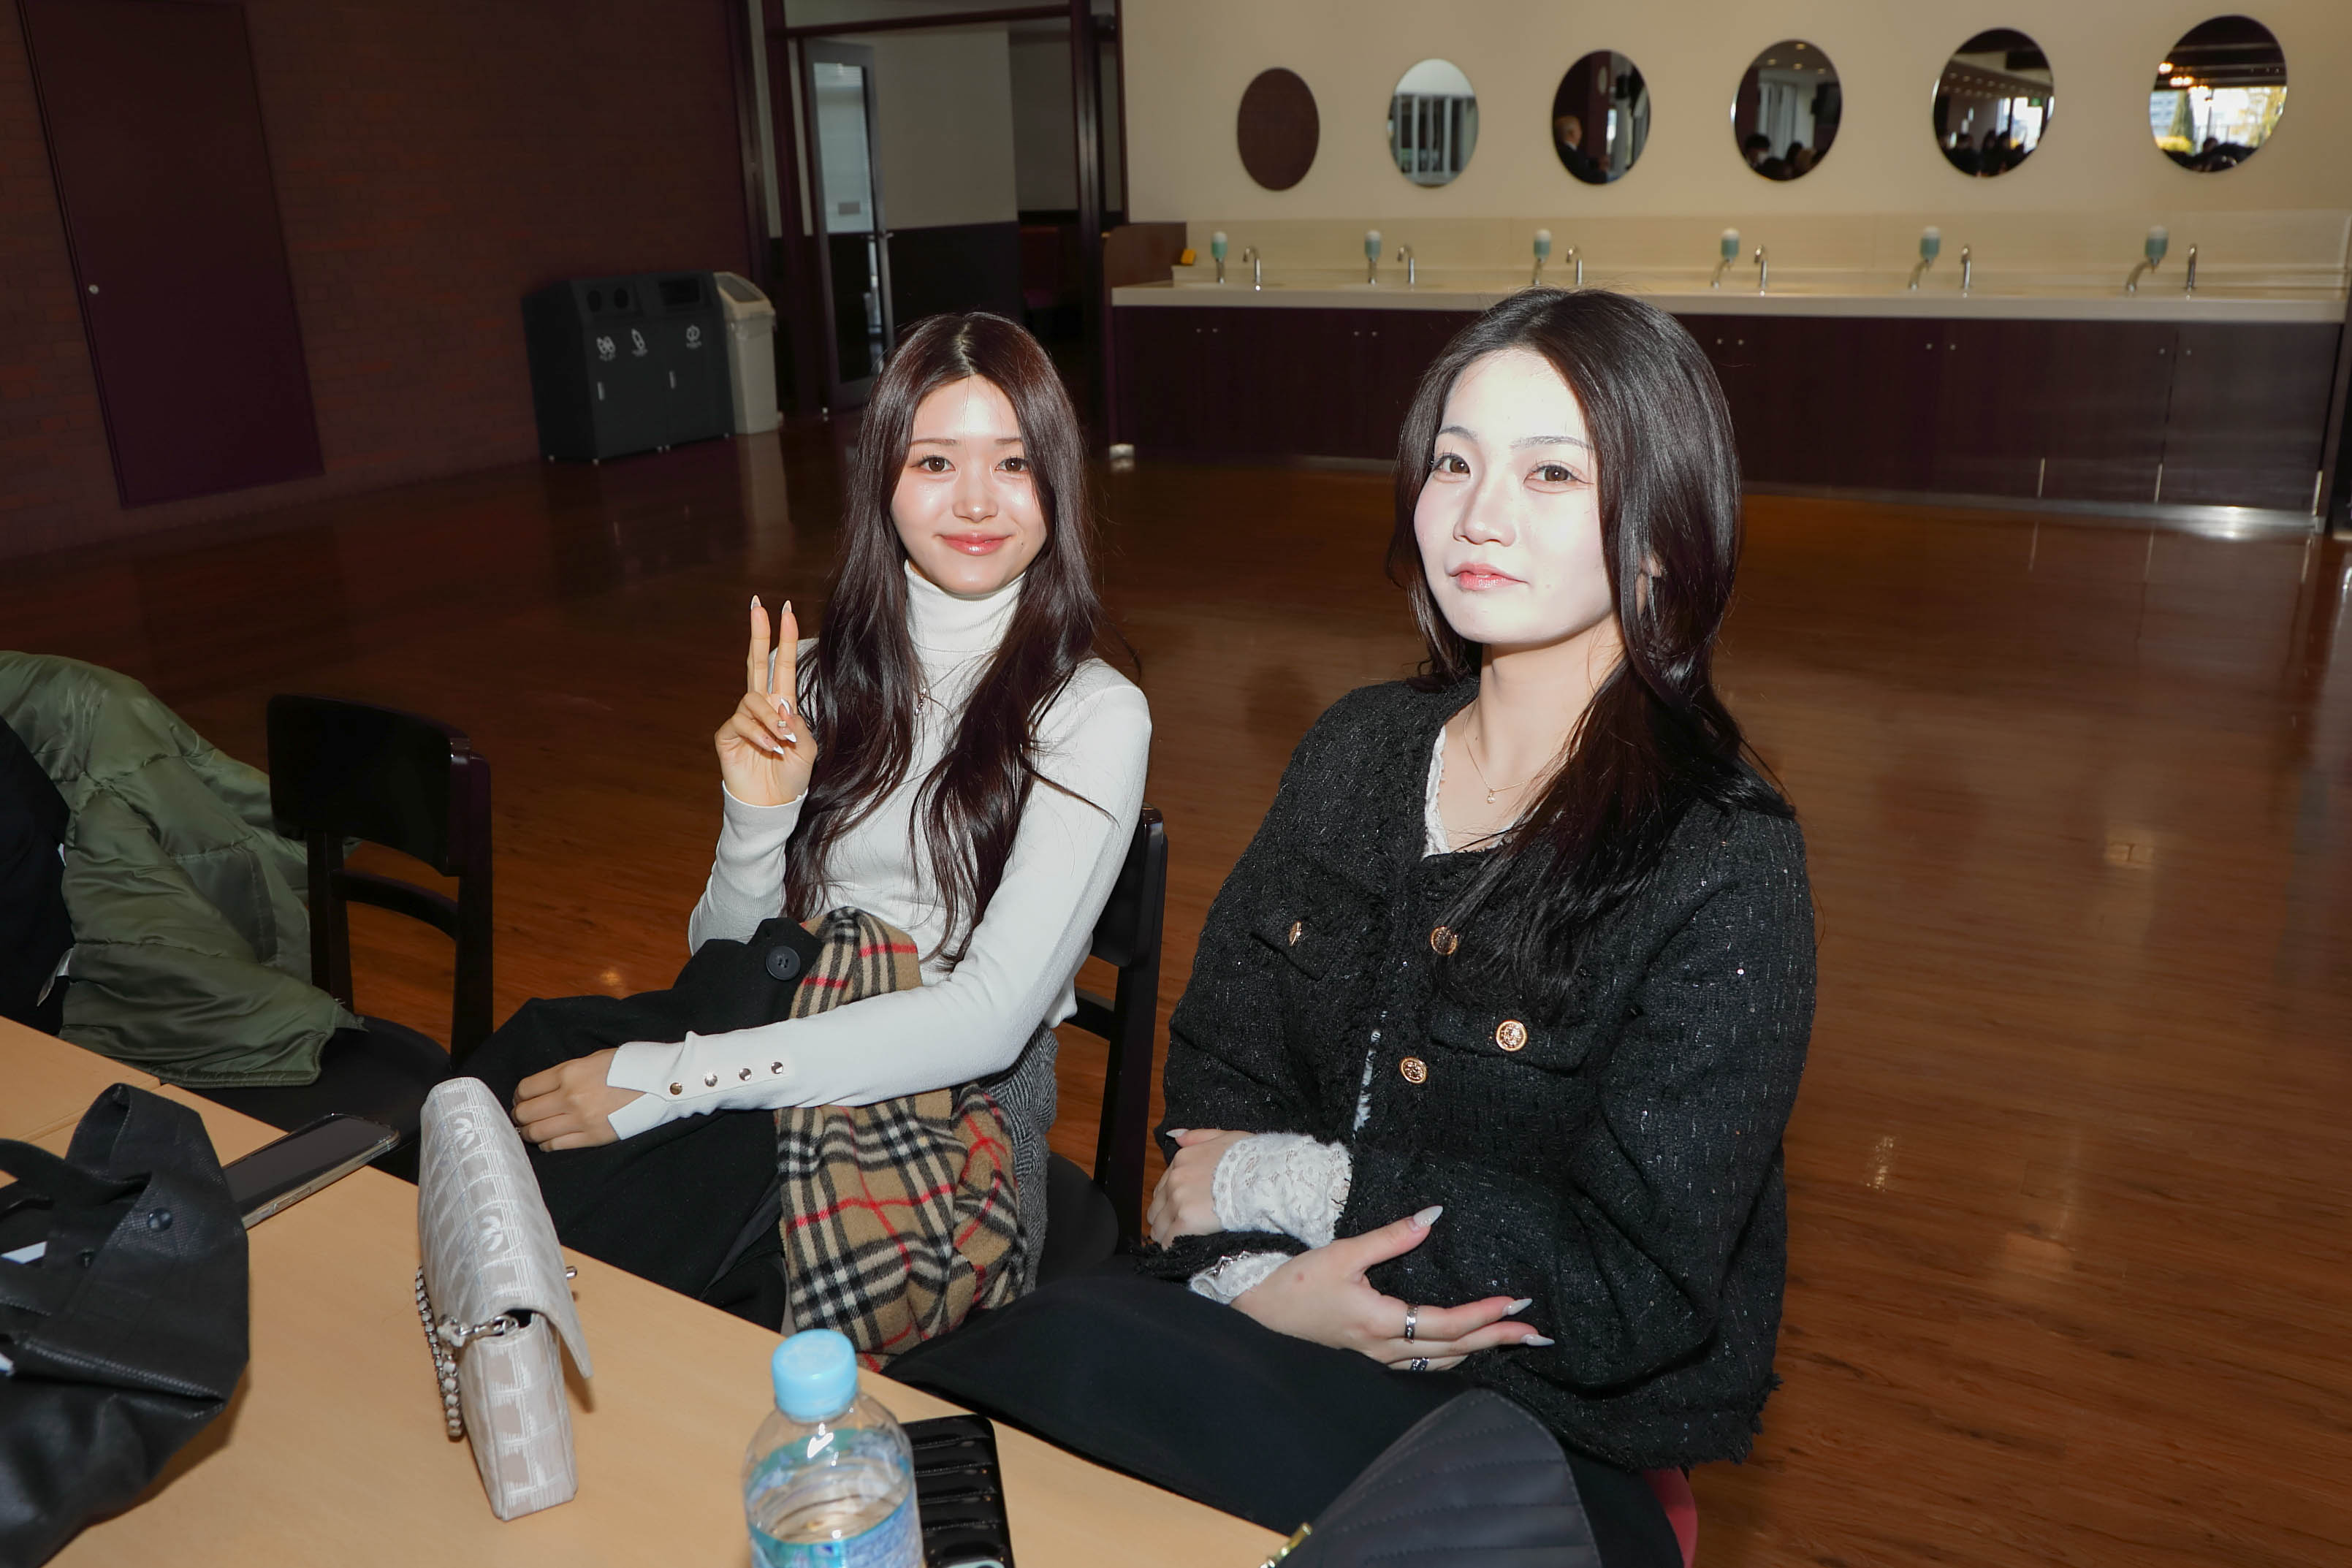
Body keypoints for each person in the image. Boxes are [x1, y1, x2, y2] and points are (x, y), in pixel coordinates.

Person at [891, 289, 1815, 1566]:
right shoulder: (1359, 751)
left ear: (1664, 533)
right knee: (978, 1407)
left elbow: (1634, 1280)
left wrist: (1299, 1190)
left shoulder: (1723, 856)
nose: (1479, 515)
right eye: (1454, 462)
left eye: (1552, 473)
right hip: (1255, 1326)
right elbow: (1219, 1074)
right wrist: (1259, 1287)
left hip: (1535, 1430)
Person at [468, 311, 1151, 1317]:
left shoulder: (1092, 712)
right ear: (883, 480)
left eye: (1013, 463)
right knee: (513, 1164)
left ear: (1057, 480)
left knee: (636, 1271)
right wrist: (756, 819)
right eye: (934, 461)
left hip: (954, 1116)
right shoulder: (825, 677)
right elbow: (720, 960)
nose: (976, 500)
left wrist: (674, 1079)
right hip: (782, 1026)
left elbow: (989, 1020)